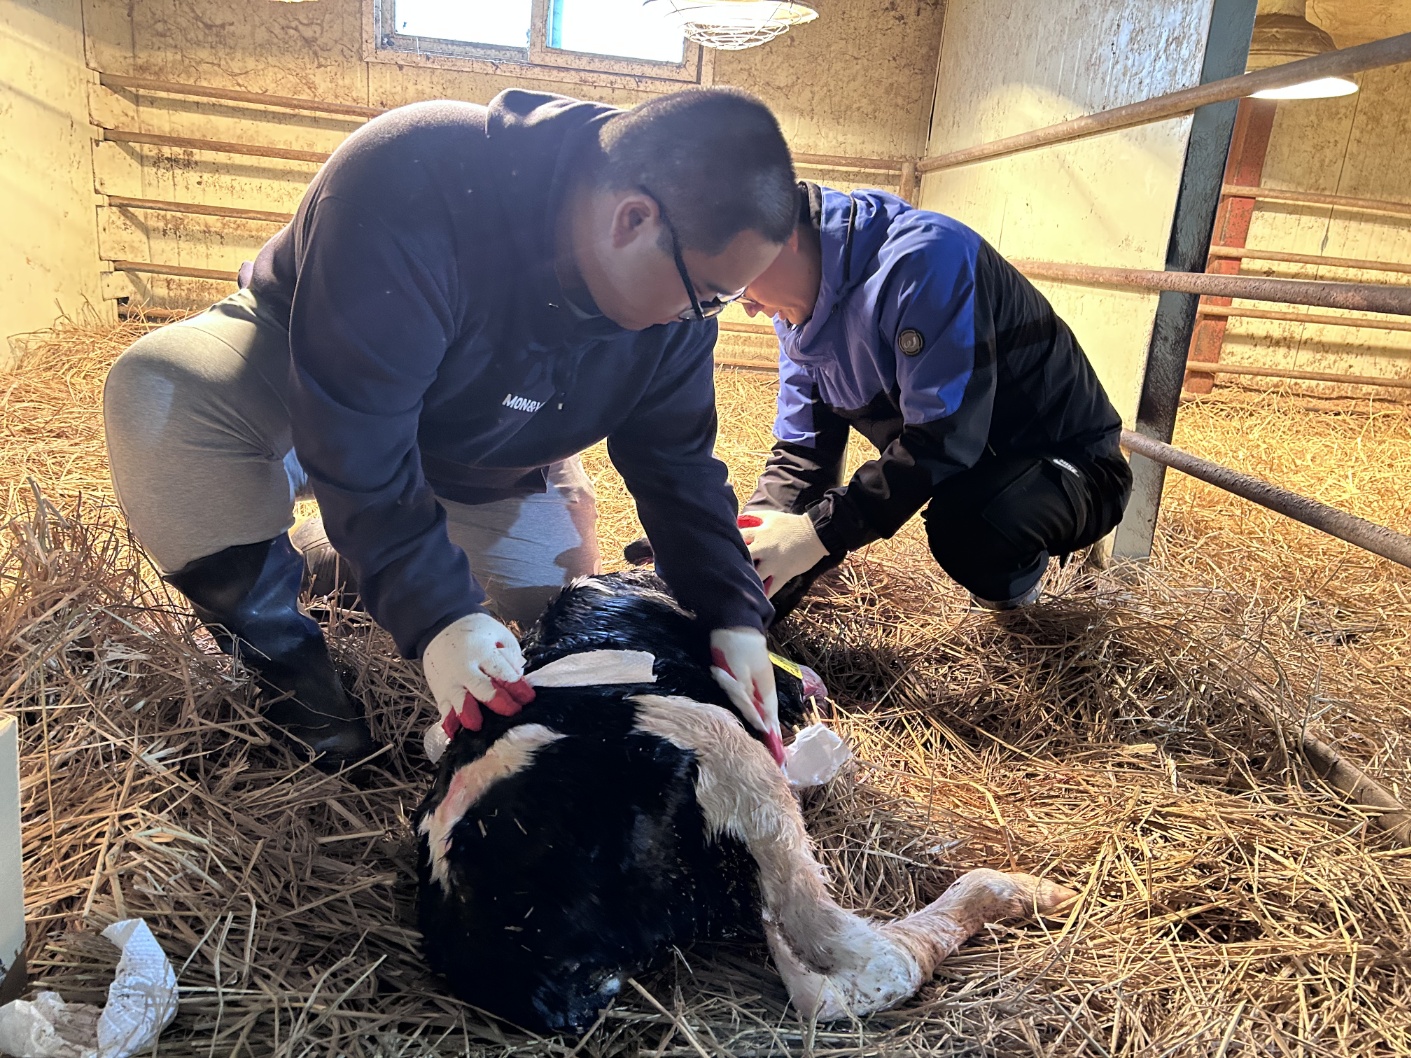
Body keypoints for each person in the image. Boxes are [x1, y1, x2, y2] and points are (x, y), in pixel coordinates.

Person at [103, 88, 795, 771]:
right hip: (317, 389)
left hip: (489, 452)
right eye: (710, 296)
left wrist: (732, 615)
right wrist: (438, 617)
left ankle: (324, 555)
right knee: (164, 393)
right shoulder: (413, 173)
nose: (708, 315)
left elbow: (677, 464)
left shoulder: (675, 311)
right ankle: (296, 685)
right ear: (632, 220)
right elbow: (358, 435)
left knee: (536, 605)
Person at [734, 182, 1133, 619]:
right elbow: (802, 455)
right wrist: (745, 551)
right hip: (968, 469)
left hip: (1074, 466)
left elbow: (944, 440)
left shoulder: (925, 260)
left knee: (969, 529)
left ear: (783, 234)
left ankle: (1019, 603)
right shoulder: (797, 324)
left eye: (737, 278)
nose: (746, 306)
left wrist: (819, 532)